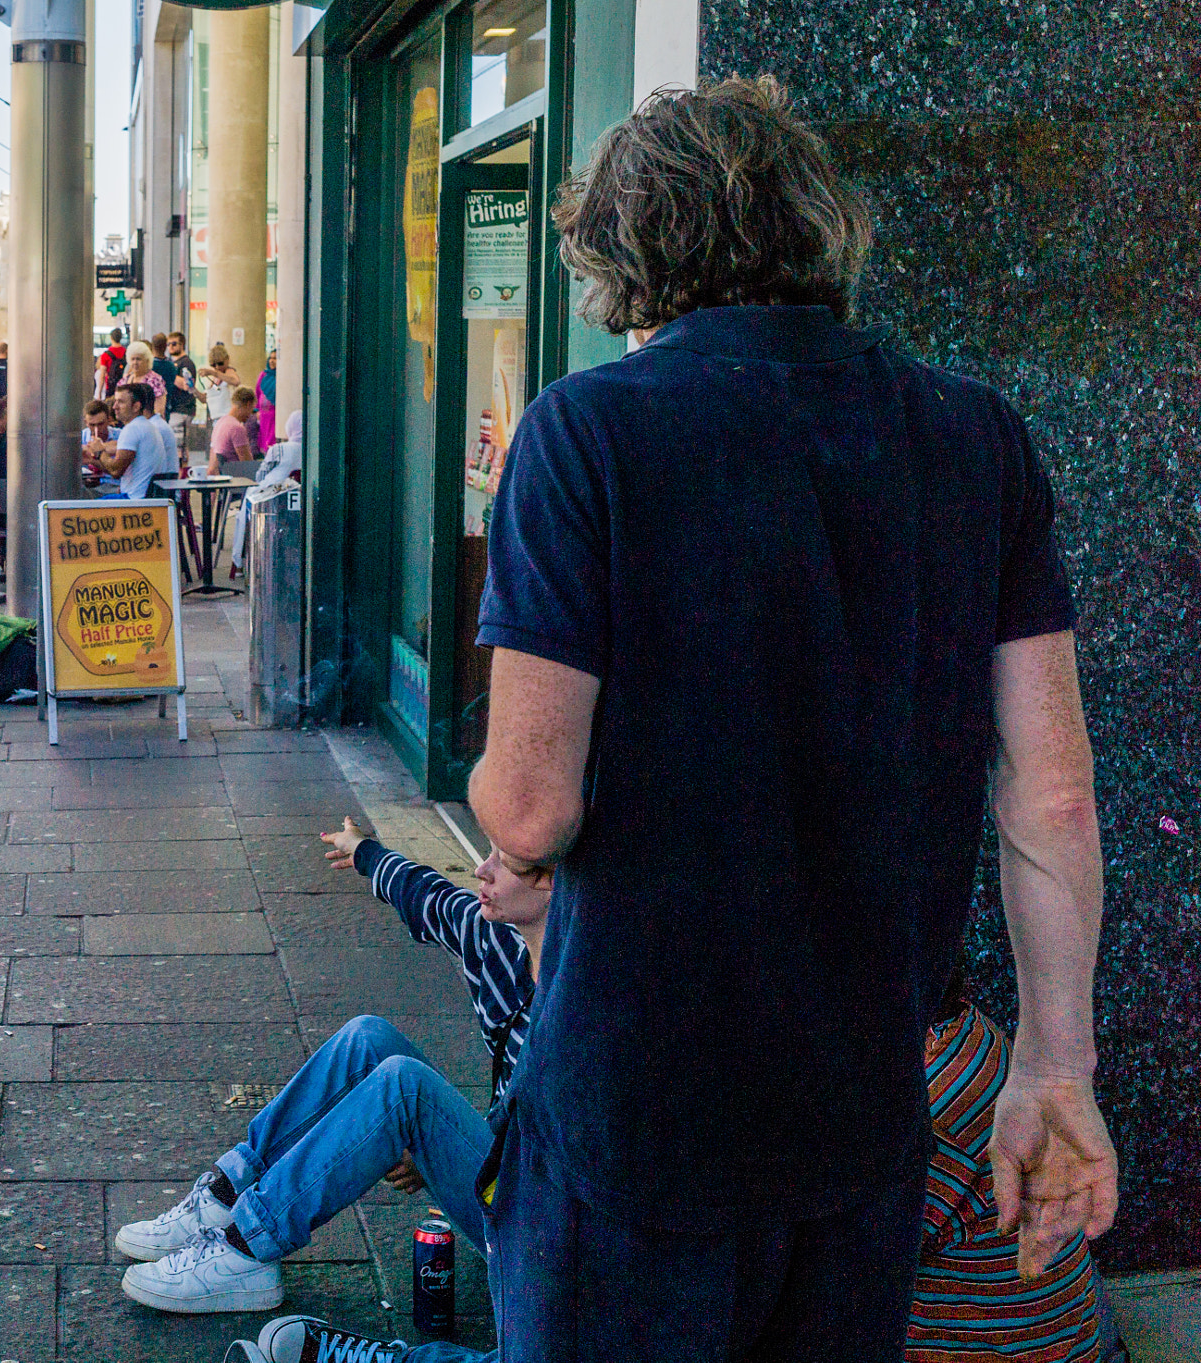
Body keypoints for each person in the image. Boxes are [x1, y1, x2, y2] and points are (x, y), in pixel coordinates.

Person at [463, 77, 1113, 1361]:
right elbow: (1051, 794)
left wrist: (506, 832)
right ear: (819, 226)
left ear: (627, 251)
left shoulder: (584, 432)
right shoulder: (975, 435)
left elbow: (527, 804)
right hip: (861, 1115)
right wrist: (1053, 1068)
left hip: (637, 1111)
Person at [225, 980, 1129, 1363]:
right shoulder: (950, 1044)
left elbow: (741, 1272)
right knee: (385, 1063)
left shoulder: (895, 1091)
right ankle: (230, 1208)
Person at [119, 816, 539, 1316]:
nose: (481, 870)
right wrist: (363, 849)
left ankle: (247, 1249)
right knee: (368, 1038)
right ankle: (227, 1194)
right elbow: (425, 896)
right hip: (504, 1171)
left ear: (556, 882)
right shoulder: (498, 938)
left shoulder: (594, 1012)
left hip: (541, 1238)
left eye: (504, 861)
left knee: (404, 1089)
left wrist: (446, 1143)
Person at [229, 411, 303, 577]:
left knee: (247, 504)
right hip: (297, 504)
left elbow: (260, 477)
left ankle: (240, 562)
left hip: (269, 501)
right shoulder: (314, 450)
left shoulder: (279, 449)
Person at [89, 383, 179, 501]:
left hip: (135, 502)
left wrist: (100, 452)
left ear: (136, 406)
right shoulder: (146, 426)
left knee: (82, 510)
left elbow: (116, 471)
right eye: (115, 401)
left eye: (120, 402)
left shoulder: (132, 429)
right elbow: (116, 468)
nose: (114, 406)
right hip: (145, 498)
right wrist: (93, 459)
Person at [209, 386, 258, 476]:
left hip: (222, 477)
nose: (250, 414)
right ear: (248, 404)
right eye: (251, 409)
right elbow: (247, 463)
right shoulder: (237, 428)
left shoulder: (220, 422)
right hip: (237, 478)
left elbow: (212, 464)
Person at [164, 330, 199, 455]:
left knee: (178, 447)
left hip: (182, 408)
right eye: (168, 344)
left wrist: (169, 373)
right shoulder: (171, 363)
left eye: (174, 344)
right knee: (179, 446)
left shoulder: (186, 363)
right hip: (173, 408)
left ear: (182, 345)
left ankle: (181, 472)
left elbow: (188, 385)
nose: (170, 347)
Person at [199, 342, 243, 428]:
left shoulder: (229, 372)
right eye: (213, 365)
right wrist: (193, 389)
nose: (217, 367)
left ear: (227, 360)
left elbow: (236, 381)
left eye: (220, 363)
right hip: (216, 419)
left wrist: (213, 372)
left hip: (228, 419)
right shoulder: (215, 378)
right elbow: (205, 398)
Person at [121, 340, 167, 417]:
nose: (135, 362)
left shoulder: (155, 380)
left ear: (147, 360)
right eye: (133, 359)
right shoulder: (125, 380)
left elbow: (160, 409)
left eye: (138, 359)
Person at [93, 326, 127, 398]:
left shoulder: (106, 355)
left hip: (110, 387)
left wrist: (99, 393)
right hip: (124, 386)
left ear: (111, 338)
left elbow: (102, 375)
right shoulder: (126, 352)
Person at [255, 348, 278, 450]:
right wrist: (257, 410)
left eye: (275, 358)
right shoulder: (264, 375)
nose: (272, 361)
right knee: (263, 444)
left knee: (271, 443)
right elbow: (257, 392)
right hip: (263, 417)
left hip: (274, 417)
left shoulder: (281, 377)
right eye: (270, 358)